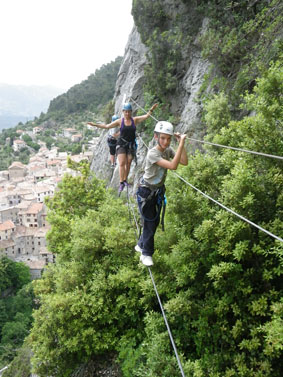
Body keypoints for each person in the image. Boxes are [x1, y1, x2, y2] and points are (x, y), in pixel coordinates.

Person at [135, 121, 188, 267]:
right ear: (156, 137)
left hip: (156, 191)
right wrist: (181, 143)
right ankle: (146, 254)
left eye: (168, 139)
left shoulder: (167, 150)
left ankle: (140, 244)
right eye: (163, 138)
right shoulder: (153, 153)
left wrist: (179, 144)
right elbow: (173, 166)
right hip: (146, 192)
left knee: (153, 222)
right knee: (150, 223)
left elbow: (184, 161)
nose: (165, 142)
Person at [87, 101, 158, 194]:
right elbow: (107, 126)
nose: (127, 113)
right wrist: (95, 124)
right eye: (126, 111)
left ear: (131, 112)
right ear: (123, 112)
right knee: (122, 163)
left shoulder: (134, 120)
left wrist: (151, 109)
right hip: (121, 144)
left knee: (128, 163)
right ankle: (121, 182)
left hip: (131, 145)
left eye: (129, 111)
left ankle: (125, 180)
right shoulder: (119, 121)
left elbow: (146, 116)